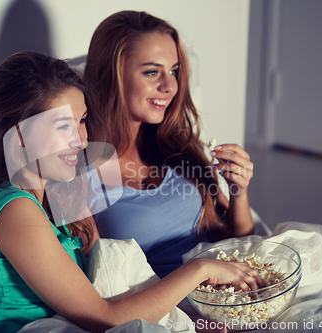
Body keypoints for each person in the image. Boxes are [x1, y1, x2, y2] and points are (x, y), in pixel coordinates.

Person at [0, 51, 262, 333]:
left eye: (81, 122)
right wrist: (200, 268)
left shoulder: (54, 205)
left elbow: (105, 297)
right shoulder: (12, 209)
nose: (81, 140)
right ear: (19, 135)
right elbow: (105, 319)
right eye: (63, 126)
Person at [84, 11, 256, 279]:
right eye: (152, 72)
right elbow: (93, 281)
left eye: (174, 71)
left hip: (229, 294)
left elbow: (239, 240)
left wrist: (239, 191)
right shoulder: (78, 171)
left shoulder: (180, 147)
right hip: (165, 307)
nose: (170, 86)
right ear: (112, 75)